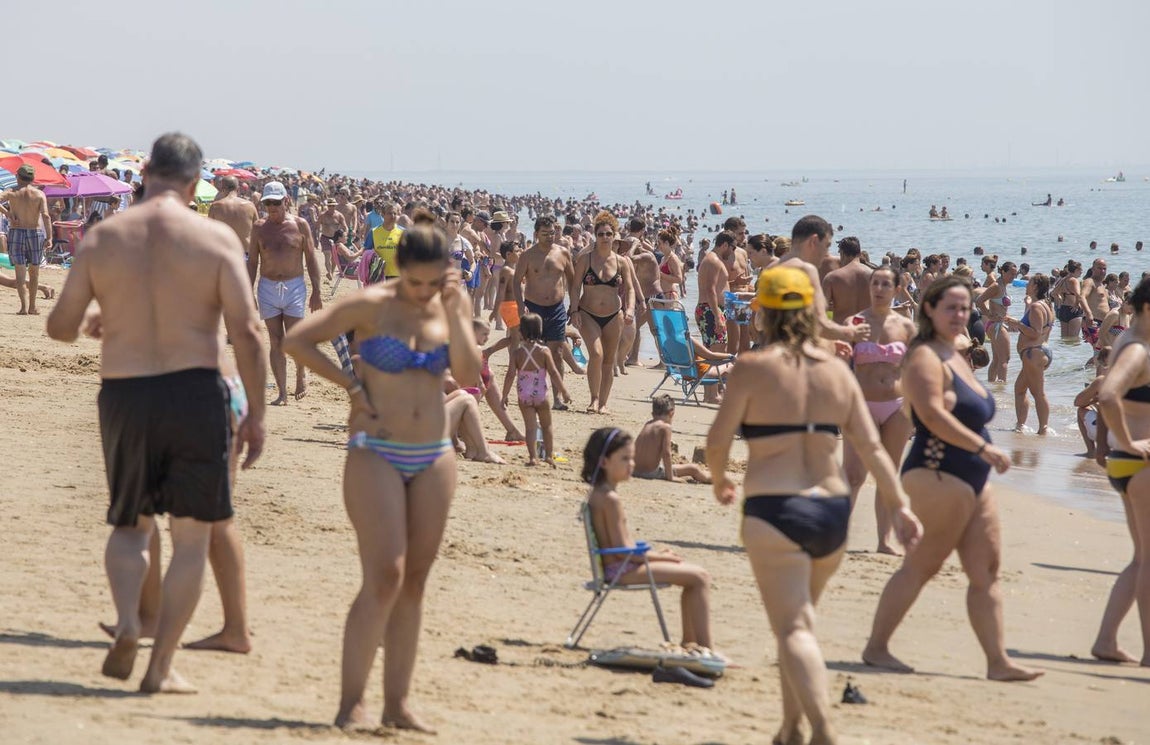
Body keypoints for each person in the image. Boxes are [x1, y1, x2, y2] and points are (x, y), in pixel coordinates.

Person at [45, 132, 267, 693]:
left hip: (126, 391)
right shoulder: (215, 239)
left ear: (145, 172)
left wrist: (104, 314)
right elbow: (248, 331)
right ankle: (161, 666)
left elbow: (60, 327)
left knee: (130, 525)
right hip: (196, 389)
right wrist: (258, 413)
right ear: (195, 184)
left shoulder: (104, 237)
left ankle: (126, 621)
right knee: (191, 539)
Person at [706, 266, 921, 745]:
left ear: (761, 311)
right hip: (831, 515)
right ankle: (790, 729)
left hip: (774, 511)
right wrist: (900, 505)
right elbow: (873, 451)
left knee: (793, 628)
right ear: (812, 313)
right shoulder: (836, 373)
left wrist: (721, 479)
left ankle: (823, 730)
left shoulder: (752, 368)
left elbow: (716, 441)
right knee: (797, 623)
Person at [282, 224, 480, 732]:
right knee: (385, 575)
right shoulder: (370, 305)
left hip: (434, 452)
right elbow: (297, 339)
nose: (425, 293)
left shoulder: (448, 305)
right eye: (417, 283)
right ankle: (352, 704)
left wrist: (458, 314)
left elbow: (469, 371)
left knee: (414, 581)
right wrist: (350, 385)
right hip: (376, 450)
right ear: (400, 271)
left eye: (435, 283)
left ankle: (398, 704)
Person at [862, 276, 1042, 682]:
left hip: (973, 480)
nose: (960, 315)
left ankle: (998, 662)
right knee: (921, 566)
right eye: (951, 308)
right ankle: (876, 647)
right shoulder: (925, 355)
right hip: (937, 472)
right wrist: (983, 449)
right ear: (929, 309)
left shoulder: (958, 354)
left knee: (986, 571)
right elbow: (930, 415)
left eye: (965, 308)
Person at [583, 427, 715, 650]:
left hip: (616, 565)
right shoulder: (611, 499)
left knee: (692, 578)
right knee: (699, 577)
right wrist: (658, 557)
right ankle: (707, 649)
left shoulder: (598, 494)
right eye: (625, 459)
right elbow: (624, 551)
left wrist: (659, 556)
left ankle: (690, 643)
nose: (631, 464)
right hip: (621, 570)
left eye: (632, 458)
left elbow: (621, 548)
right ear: (604, 462)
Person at [843, 267, 917, 555]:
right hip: (860, 405)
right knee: (853, 475)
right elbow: (838, 358)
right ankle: (837, 537)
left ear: (897, 289)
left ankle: (884, 541)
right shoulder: (856, 321)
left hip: (897, 407)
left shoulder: (906, 326)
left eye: (886, 284)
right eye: (875, 283)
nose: (880, 288)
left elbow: (916, 367)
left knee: (888, 475)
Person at [1096, 277, 1150, 666]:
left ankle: (1106, 641)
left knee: (1141, 558)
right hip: (1140, 462)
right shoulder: (1137, 350)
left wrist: (1116, 443)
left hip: (1126, 461)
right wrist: (1130, 441)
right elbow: (1107, 394)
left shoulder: (1131, 340)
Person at [247, 181, 323, 405]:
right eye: (268, 202)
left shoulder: (300, 225)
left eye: (276, 202)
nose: (271, 207)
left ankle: (300, 373)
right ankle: (282, 391)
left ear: (286, 201)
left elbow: (310, 258)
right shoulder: (259, 228)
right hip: (268, 287)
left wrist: (317, 291)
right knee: (276, 340)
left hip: (295, 286)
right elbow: (252, 262)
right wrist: (248, 291)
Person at [569, 211, 635, 414]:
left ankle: (604, 403)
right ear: (595, 236)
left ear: (614, 236)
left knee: (608, 360)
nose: (605, 237)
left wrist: (630, 309)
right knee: (596, 354)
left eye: (609, 234)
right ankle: (594, 399)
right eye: (601, 234)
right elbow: (574, 287)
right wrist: (574, 311)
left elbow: (631, 288)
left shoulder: (622, 262)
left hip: (614, 315)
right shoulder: (585, 260)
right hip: (588, 312)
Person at [514, 215, 580, 389]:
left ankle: (558, 395)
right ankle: (535, 388)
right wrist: (521, 307)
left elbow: (573, 281)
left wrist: (574, 307)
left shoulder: (563, 253)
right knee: (534, 350)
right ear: (536, 234)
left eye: (551, 233)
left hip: (556, 308)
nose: (549, 237)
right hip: (534, 308)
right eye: (545, 233)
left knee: (557, 352)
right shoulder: (528, 255)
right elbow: (516, 281)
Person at [508, 313, 569, 466]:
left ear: (521, 331)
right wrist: (564, 391)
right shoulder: (544, 351)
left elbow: (510, 375)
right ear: (540, 330)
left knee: (530, 428)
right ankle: (548, 456)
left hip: (524, 395)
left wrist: (504, 395)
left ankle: (532, 457)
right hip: (541, 394)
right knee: (547, 426)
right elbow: (554, 372)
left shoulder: (517, 353)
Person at [0, 164, 53, 315]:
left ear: (17, 176)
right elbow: (46, 215)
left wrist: (8, 214)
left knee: (20, 272)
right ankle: (32, 306)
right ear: (33, 178)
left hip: (17, 232)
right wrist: (49, 237)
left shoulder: (12, 192)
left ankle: (23, 307)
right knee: (34, 272)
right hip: (35, 233)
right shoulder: (39, 194)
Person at [1004, 274, 1054, 434]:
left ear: (1035, 287)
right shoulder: (1046, 305)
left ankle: (1043, 429)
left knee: (1038, 393)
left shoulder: (1036, 307)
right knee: (1019, 388)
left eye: (1029, 283)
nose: (1026, 285)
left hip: (1034, 353)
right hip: (1040, 351)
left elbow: (1035, 332)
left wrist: (1017, 323)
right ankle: (1020, 425)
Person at [632, 395, 711, 483]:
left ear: (652, 414)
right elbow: (666, 453)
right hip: (650, 473)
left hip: (634, 470)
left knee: (669, 466)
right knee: (693, 468)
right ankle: (714, 479)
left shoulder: (648, 424)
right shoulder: (665, 427)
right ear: (671, 413)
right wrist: (670, 477)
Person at [975, 261, 1017, 383]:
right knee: (1005, 359)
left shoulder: (1003, 285)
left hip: (997, 324)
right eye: (1011, 274)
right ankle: (1002, 386)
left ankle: (992, 386)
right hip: (996, 325)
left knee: (998, 359)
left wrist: (1011, 320)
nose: (1013, 277)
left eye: (1015, 275)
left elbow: (1001, 308)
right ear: (1003, 272)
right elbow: (979, 301)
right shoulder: (996, 286)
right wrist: (989, 315)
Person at [821, 236, 872, 323]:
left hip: (842, 331)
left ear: (842, 254)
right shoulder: (873, 275)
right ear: (860, 253)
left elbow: (821, 310)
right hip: (867, 330)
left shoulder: (832, 278)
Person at [207, 176, 259, 255]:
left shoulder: (215, 206)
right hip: (244, 253)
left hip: (224, 254)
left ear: (222, 189)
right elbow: (257, 230)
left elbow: (209, 233)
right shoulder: (250, 205)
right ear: (238, 188)